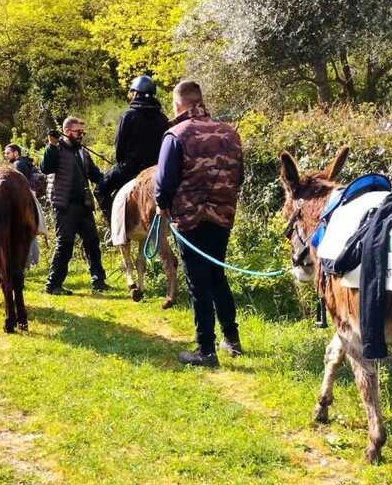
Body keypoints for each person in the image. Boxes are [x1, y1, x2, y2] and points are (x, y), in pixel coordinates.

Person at [155, 80, 244, 367]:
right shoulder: (230, 133)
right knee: (217, 274)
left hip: (189, 219)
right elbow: (238, 177)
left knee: (198, 281)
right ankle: (232, 339)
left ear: (180, 103)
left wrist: (162, 205)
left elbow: (164, 181)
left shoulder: (175, 135)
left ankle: (205, 350)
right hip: (222, 217)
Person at [41, 117, 110, 294]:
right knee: (65, 244)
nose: (81, 136)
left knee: (92, 242)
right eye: (78, 132)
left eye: (82, 132)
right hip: (64, 205)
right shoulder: (57, 149)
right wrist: (52, 144)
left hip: (84, 205)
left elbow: (96, 175)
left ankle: (98, 281)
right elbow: (46, 167)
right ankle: (53, 284)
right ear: (68, 131)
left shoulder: (83, 152)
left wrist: (115, 176)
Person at [96, 75, 169, 218]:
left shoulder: (129, 115)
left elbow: (119, 147)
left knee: (101, 189)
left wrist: (122, 163)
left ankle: (114, 225)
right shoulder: (163, 118)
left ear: (136, 93)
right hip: (157, 168)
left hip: (130, 168)